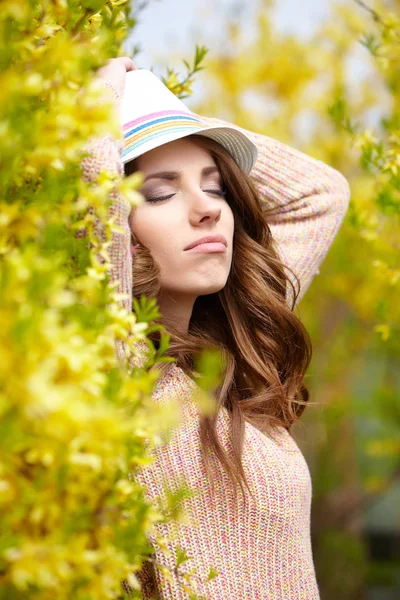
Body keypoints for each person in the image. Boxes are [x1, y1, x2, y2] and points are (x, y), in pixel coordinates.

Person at [82, 57, 350, 599]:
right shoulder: (118, 363)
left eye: (217, 187)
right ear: (116, 227)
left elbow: (320, 195)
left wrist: (165, 110)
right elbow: (92, 179)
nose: (207, 209)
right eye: (161, 193)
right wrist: (105, 95)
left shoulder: (231, 348)